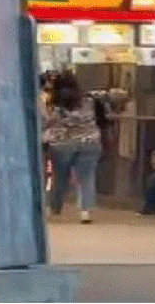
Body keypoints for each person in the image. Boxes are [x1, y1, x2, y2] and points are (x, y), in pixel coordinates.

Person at [43, 71, 103, 223]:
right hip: (89, 142)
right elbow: (101, 117)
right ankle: (85, 212)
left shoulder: (54, 103)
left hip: (62, 144)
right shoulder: (89, 100)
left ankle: (54, 208)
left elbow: (48, 121)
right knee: (87, 178)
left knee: (59, 178)